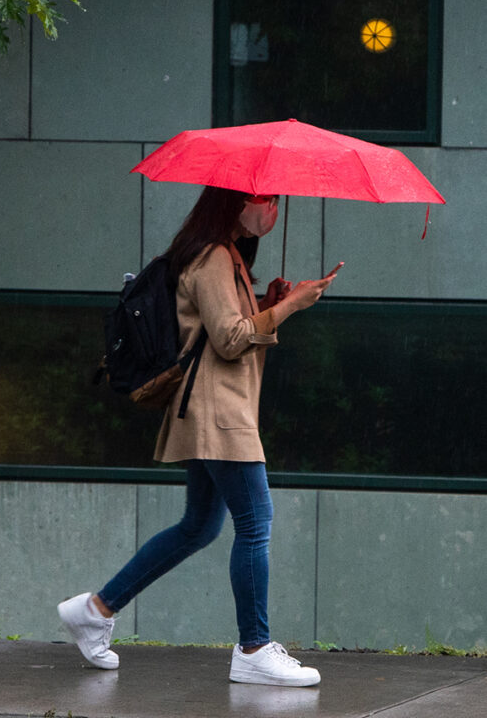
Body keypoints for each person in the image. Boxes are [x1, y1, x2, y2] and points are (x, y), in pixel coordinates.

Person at [57, 186, 342, 687]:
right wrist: (291, 305)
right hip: (217, 411)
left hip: (217, 407)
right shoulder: (211, 256)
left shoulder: (226, 256)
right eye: (265, 199)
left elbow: (224, 327)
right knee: (255, 523)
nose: (272, 210)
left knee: (199, 527)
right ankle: (254, 647)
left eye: (275, 201)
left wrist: (265, 301)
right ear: (234, 201)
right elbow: (231, 341)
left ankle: (95, 610)